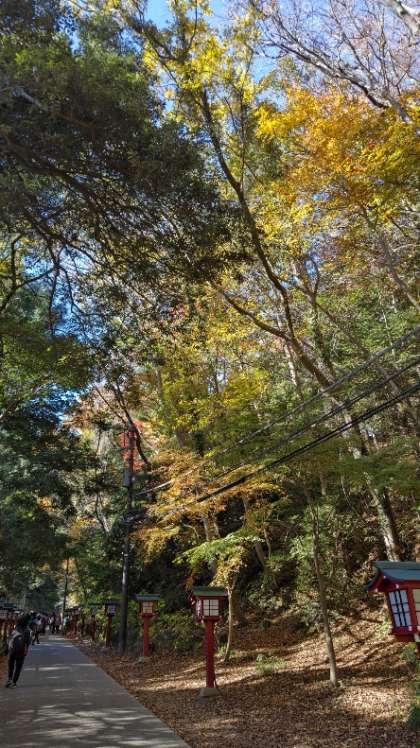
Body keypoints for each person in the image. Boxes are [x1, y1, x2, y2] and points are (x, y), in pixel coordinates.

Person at [5, 614, 31, 688]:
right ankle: (14, 682)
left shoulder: (15, 628)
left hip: (12, 650)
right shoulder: (27, 631)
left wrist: (7, 649)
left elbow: (9, 639)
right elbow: (28, 642)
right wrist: (26, 651)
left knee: (11, 665)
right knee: (18, 667)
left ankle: (9, 679)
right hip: (21, 651)